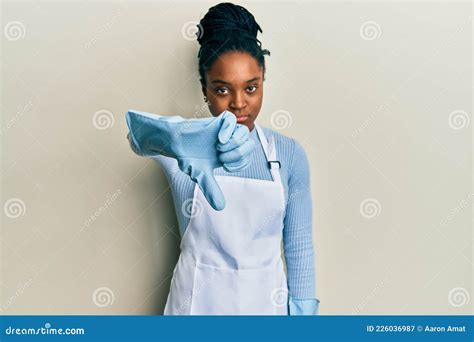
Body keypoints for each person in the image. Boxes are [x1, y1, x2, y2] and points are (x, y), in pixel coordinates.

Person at [127, 2, 320, 315]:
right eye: (222, 89)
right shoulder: (183, 150)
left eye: (251, 88)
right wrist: (177, 137)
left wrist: (302, 321)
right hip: (195, 308)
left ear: (264, 80)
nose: (239, 103)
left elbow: (299, 249)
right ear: (204, 90)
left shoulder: (288, 154)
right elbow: (137, 139)